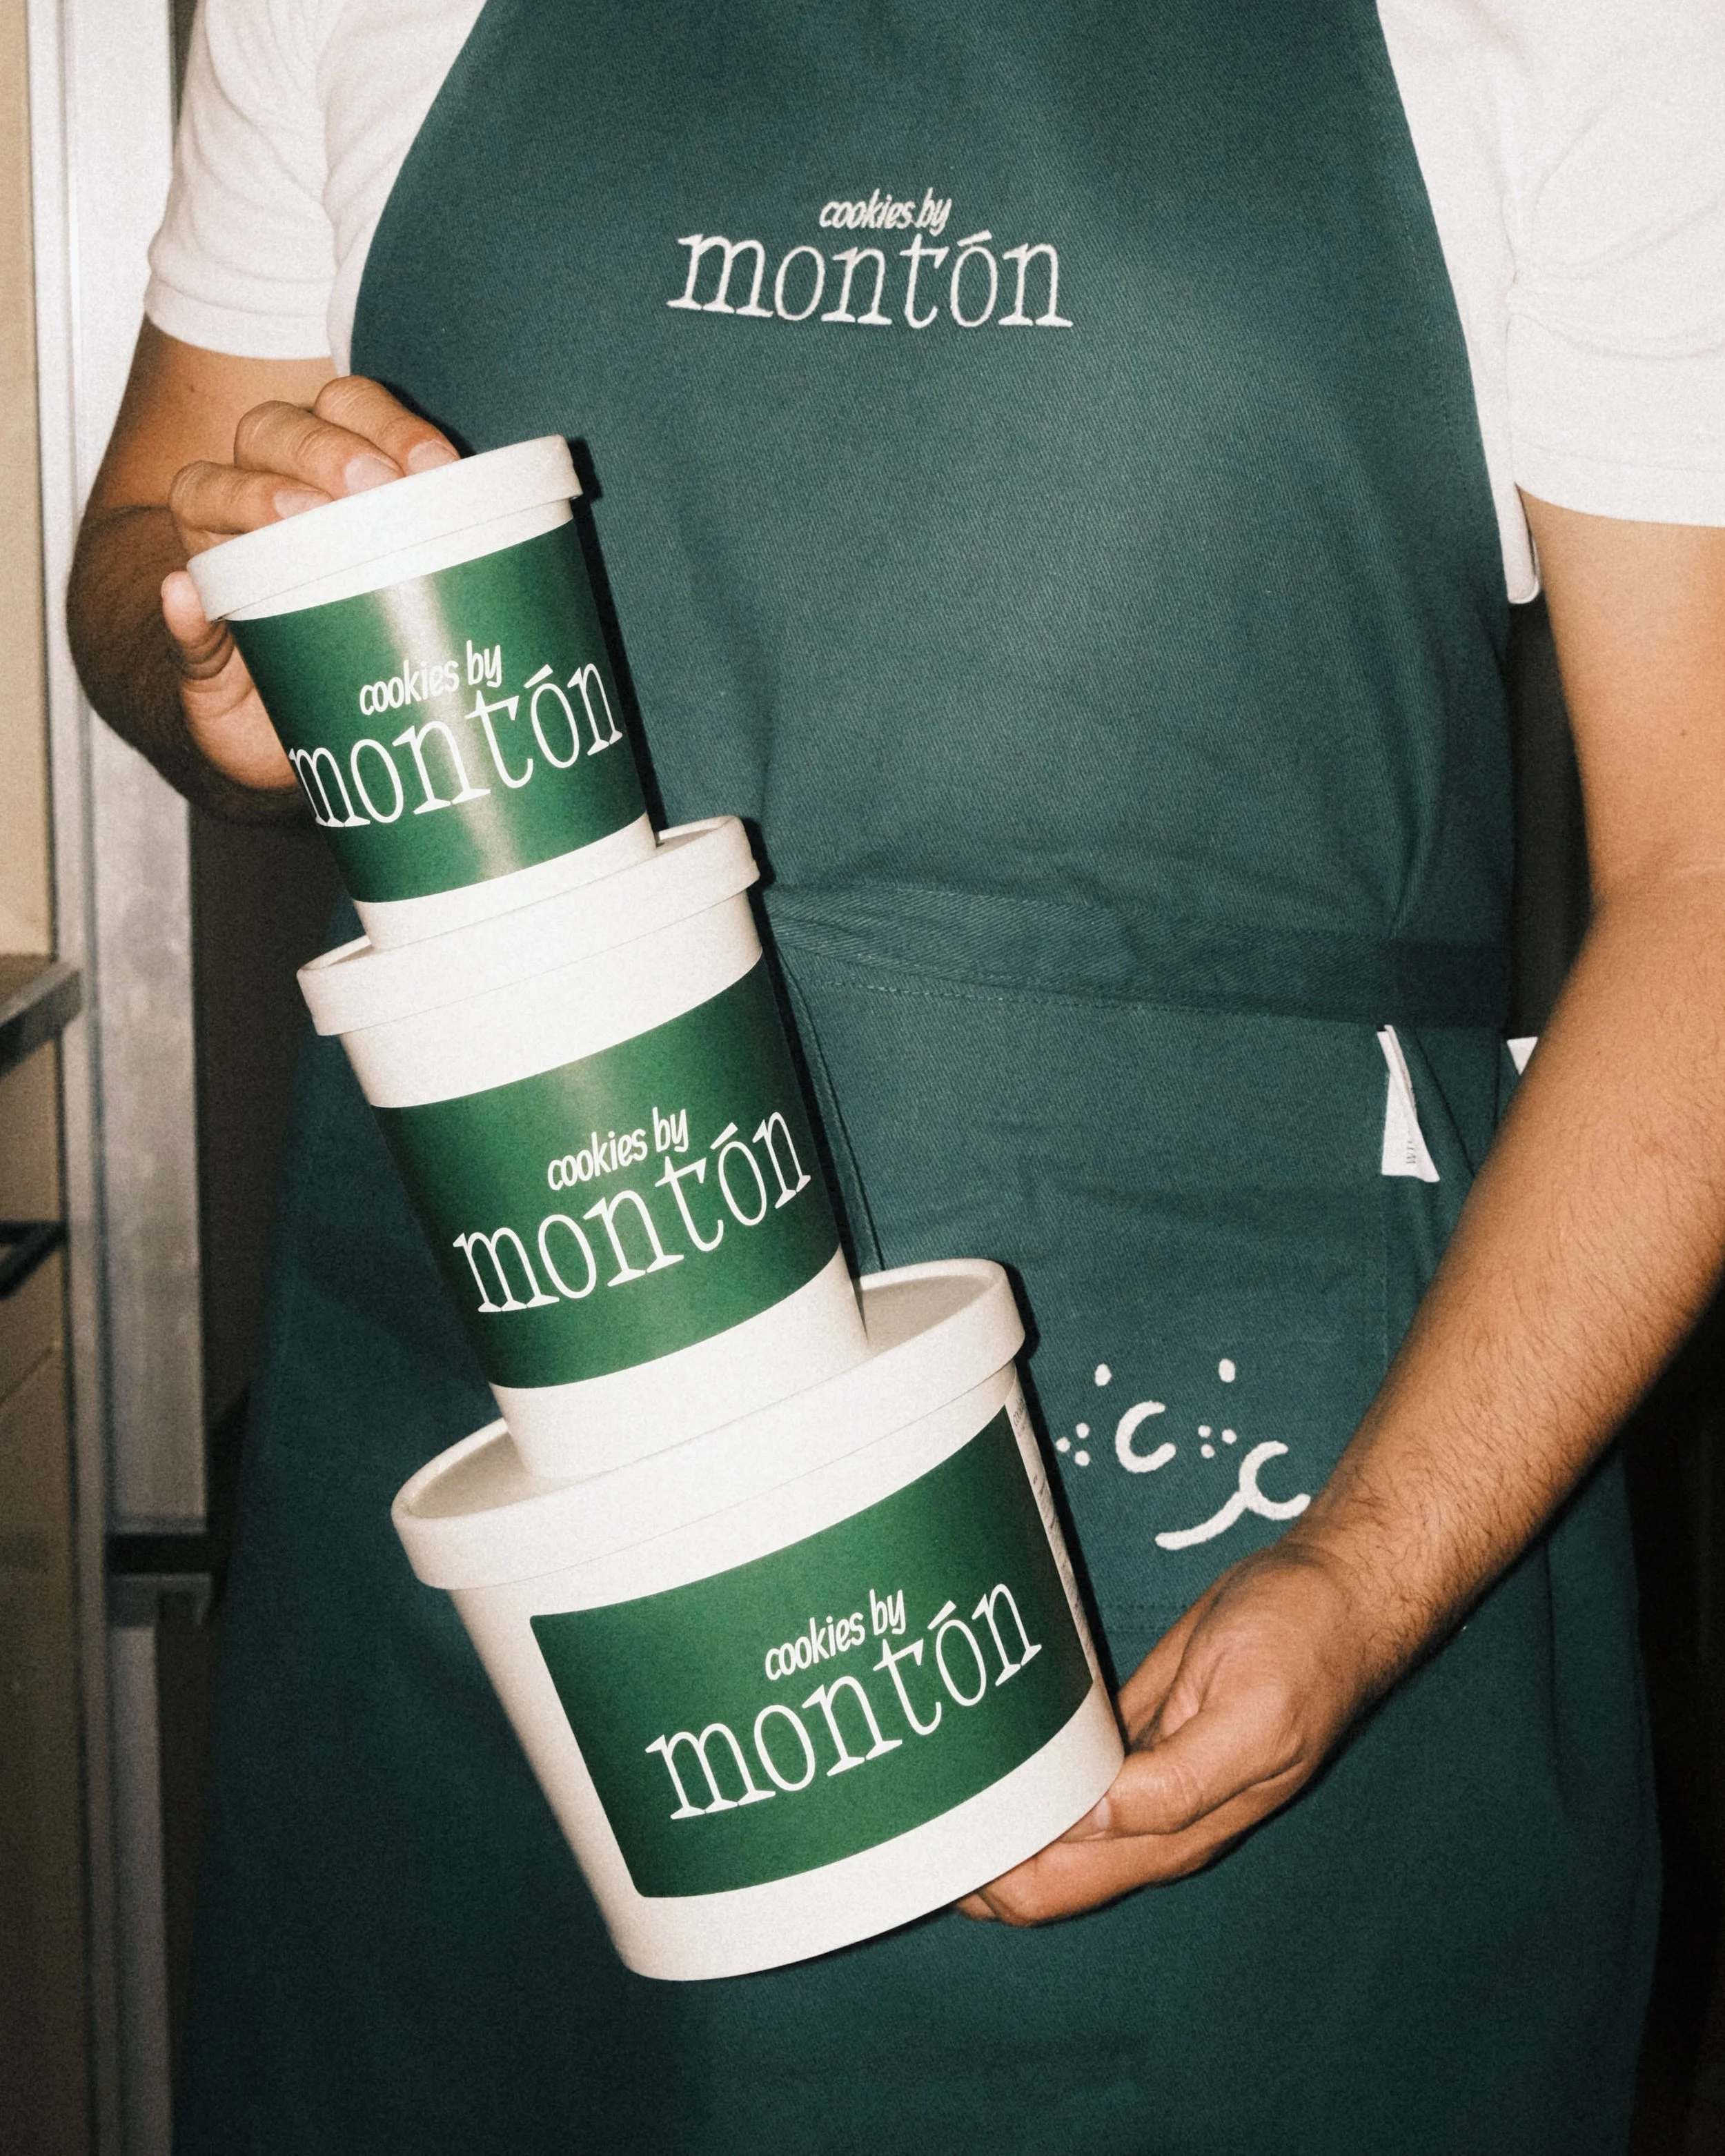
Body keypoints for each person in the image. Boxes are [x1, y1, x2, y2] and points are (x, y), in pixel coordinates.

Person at [68, 0, 1725, 2148]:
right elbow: (141, 550)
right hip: (498, 1501)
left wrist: (1366, 1575)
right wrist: (210, 646)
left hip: (1243, 1517)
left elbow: (1698, 883)